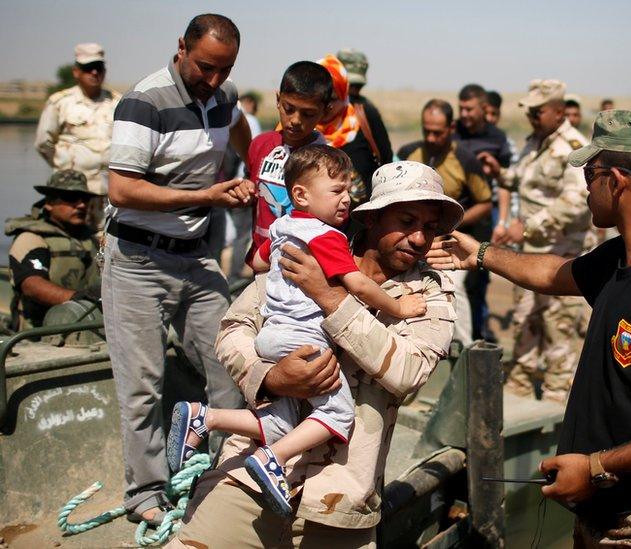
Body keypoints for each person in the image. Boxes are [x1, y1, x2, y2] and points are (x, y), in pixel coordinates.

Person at [427, 110, 631, 547]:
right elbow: (555, 272)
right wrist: (480, 253)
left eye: (590, 174)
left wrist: (596, 467)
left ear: (616, 180)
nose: (584, 186)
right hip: (609, 512)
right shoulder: (619, 257)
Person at [168, 161, 462, 547]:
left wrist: (330, 298)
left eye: (430, 228)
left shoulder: (431, 291)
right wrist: (269, 377)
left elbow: (409, 372)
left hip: (340, 499)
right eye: (407, 221)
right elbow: (234, 328)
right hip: (250, 474)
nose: (420, 238)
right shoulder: (311, 246)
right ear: (371, 218)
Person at [104, 13, 252, 525]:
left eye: (224, 69)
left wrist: (254, 167)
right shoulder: (144, 101)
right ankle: (144, 494)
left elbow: (239, 129)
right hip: (138, 260)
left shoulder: (225, 95)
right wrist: (206, 195)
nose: (213, 80)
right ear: (181, 48)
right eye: (206, 68)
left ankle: (223, 473)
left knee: (231, 361)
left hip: (194, 255)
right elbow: (121, 190)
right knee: (144, 383)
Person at [478, 79, 592, 403]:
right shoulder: (535, 141)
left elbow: (576, 199)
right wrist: (499, 172)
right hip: (529, 253)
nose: (531, 117)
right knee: (524, 320)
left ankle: (557, 397)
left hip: (561, 255)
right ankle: (520, 385)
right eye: (528, 112)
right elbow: (523, 180)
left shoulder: (573, 146)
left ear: (559, 111)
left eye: (537, 112)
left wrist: (527, 226)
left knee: (558, 326)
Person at [398, 99, 493, 345]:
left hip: (449, 243)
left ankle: (465, 350)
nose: (430, 138)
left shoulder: (465, 160)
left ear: (451, 129)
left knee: (454, 288)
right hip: (411, 238)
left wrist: (450, 226)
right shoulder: (409, 154)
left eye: (437, 132)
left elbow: (485, 202)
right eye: (426, 130)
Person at [247, 60, 339, 267]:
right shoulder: (260, 145)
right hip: (261, 262)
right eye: (289, 109)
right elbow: (254, 194)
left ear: (326, 111)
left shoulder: (328, 162)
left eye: (308, 114)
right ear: (278, 100)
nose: (295, 120)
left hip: (301, 266)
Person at [34, 43, 121, 229]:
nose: (94, 73)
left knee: (104, 240)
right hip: (70, 195)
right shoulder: (60, 102)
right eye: (88, 68)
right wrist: (66, 167)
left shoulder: (118, 102)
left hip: (106, 193)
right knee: (70, 242)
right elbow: (44, 143)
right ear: (76, 72)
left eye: (99, 68)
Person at [5, 170, 100, 330]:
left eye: (84, 199)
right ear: (49, 203)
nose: (81, 205)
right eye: (70, 198)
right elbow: (31, 284)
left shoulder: (95, 238)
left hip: (90, 327)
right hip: (39, 334)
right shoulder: (32, 238)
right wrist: (77, 298)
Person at [456, 83, 514, 341]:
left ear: (483, 108)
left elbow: (504, 183)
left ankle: (476, 337)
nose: (464, 114)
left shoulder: (497, 138)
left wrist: (501, 221)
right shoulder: (452, 131)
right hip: (452, 216)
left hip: (481, 218)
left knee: (477, 282)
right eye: (461, 108)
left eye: (469, 109)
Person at [312, 53, 392, 208]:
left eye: (333, 98)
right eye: (322, 98)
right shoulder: (301, 123)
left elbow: (386, 160)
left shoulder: (365, 113)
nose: (327, 106)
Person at [225, 92, 263, 281]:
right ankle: (235, 277)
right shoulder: (251, 122)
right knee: (242, 235)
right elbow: (252, 154)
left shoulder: (228, 118)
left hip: (229, 183)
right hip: (246, 185)